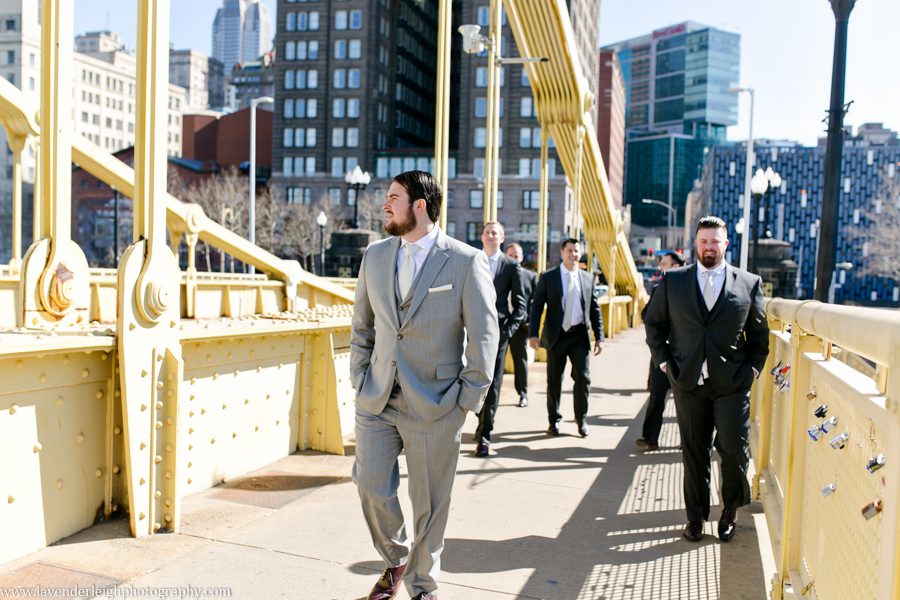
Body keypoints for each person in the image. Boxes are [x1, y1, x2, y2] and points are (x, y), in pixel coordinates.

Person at [350, 170, 499, 600]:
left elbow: (485, 336)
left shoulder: (466, 260)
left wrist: (465, 402)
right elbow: (362, 326)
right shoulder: (375, 256)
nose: (385, 204)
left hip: (436, 403)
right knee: (369, 484)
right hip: (377, 397)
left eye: (393, 197)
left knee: (430, 504)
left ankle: (421, 582)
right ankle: (396, 558)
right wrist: (360, 379)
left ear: (419, 205)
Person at [643, 216, 769, 543]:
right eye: (703, 241)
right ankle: (695, 518)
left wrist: (753, 370)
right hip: (688, 383)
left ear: (726, 244)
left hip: (732, 384)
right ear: (695, 244)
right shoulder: (673, 281)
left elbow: (759, 336)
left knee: (734, 452)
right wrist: (664, 363)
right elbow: (653, 324)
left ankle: (729, 511)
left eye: (715, 241)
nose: (709, 247)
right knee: (694, 454)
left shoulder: (749, 283)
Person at [529, 238, 603, 438]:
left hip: (579, 336)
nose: (573, 254)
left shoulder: (588, 278)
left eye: (577, 251)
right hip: (557, 336)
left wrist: (600, 337)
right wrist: (533, 333)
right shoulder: (549, 277)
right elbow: (537, 307)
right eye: (569, 250)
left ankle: (582, 420)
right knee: (554, 381)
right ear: (562, 253)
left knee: (583, 379)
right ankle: (554, 421)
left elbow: (594, 308)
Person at [473, 222, 526, 457]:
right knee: (470, 379)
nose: (490, 235)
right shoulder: (472, 260)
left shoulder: (512, 266)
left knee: (493, 383)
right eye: (487, 232)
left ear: (502, 238)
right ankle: (480, 417)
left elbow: (521, 306)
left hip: (498, 332)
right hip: (472, 330)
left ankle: (485, 435)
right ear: (482, 236)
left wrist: (507, 332)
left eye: (495, 232)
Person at [636, 251, 686, 451]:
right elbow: (646, 315)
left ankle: (687, 440)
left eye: (664, 264)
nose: (661, 267)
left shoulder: (691, 290)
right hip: (662, 352)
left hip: (684, 354)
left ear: (675, 267)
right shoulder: (658, 287)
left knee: (685, 399)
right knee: (657, 395)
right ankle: (650, 437)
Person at [505, 243, 537, 408]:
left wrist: (530, 323)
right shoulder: (499, 273)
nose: (513, 259)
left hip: (520, 326)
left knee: (520, 361)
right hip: (500, 324)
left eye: (516, 256)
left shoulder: (530, 277)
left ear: (522, 258)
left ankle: (522, 394)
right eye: (510, 255)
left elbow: (535, 302)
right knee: (494, 363)